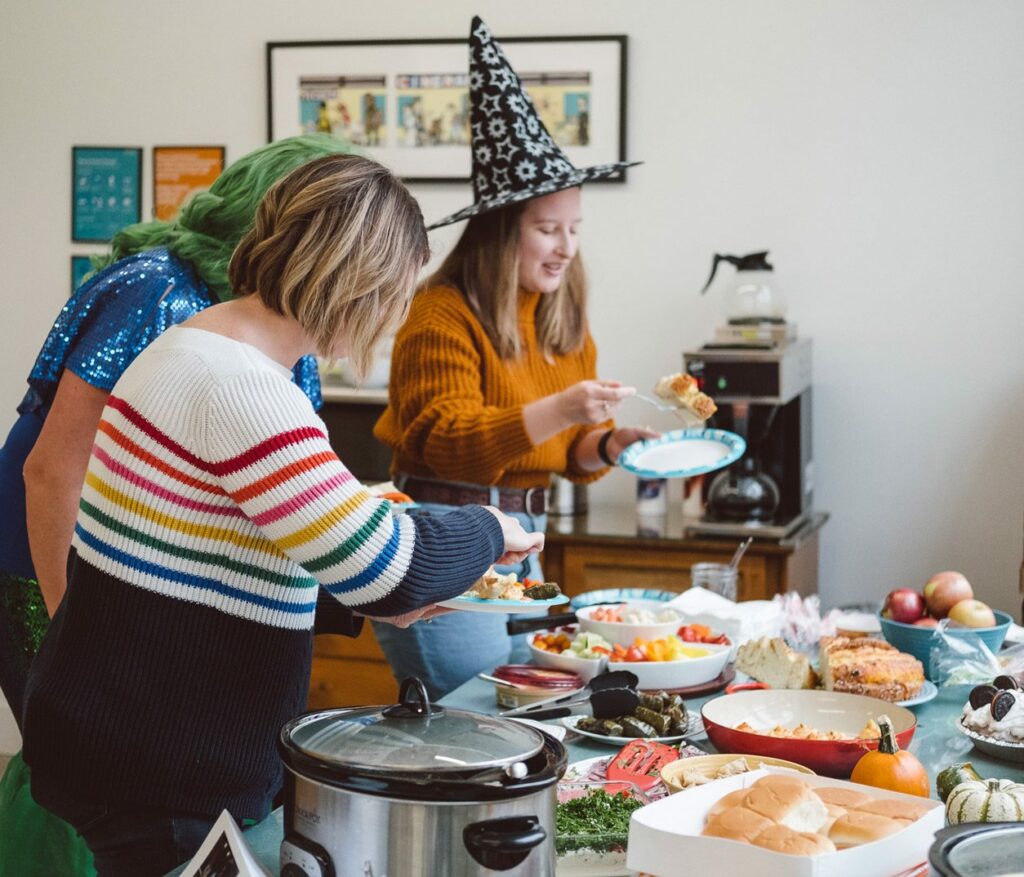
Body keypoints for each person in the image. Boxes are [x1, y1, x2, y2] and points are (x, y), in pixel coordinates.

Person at [22, 153, 543, 877]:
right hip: (160, 769)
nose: (395, 317)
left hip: (119, 740)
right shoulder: (244, 389)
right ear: (358, 283)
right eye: (397, 294)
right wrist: (493, 528)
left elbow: (210, 551)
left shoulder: (192, 346)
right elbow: (393, 570)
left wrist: (357, 603)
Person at [0, 134, 353, 877]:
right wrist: (80, 623)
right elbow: (51, 470)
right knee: (74, 769)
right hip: (47, 554)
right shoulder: (154, 289)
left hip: (149, 575)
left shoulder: (280, 316)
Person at [371, 17, 650, 700]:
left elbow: (564, 450)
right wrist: (562, 407)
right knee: (475, 719)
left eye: (575, 229)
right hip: (440, 547)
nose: (565, 247)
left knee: (529, 716)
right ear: (502, 231)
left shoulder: (561, 315)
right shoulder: (441, 315)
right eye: (548, 229)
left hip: (526, 546)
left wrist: (608, 442)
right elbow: (448, 446)